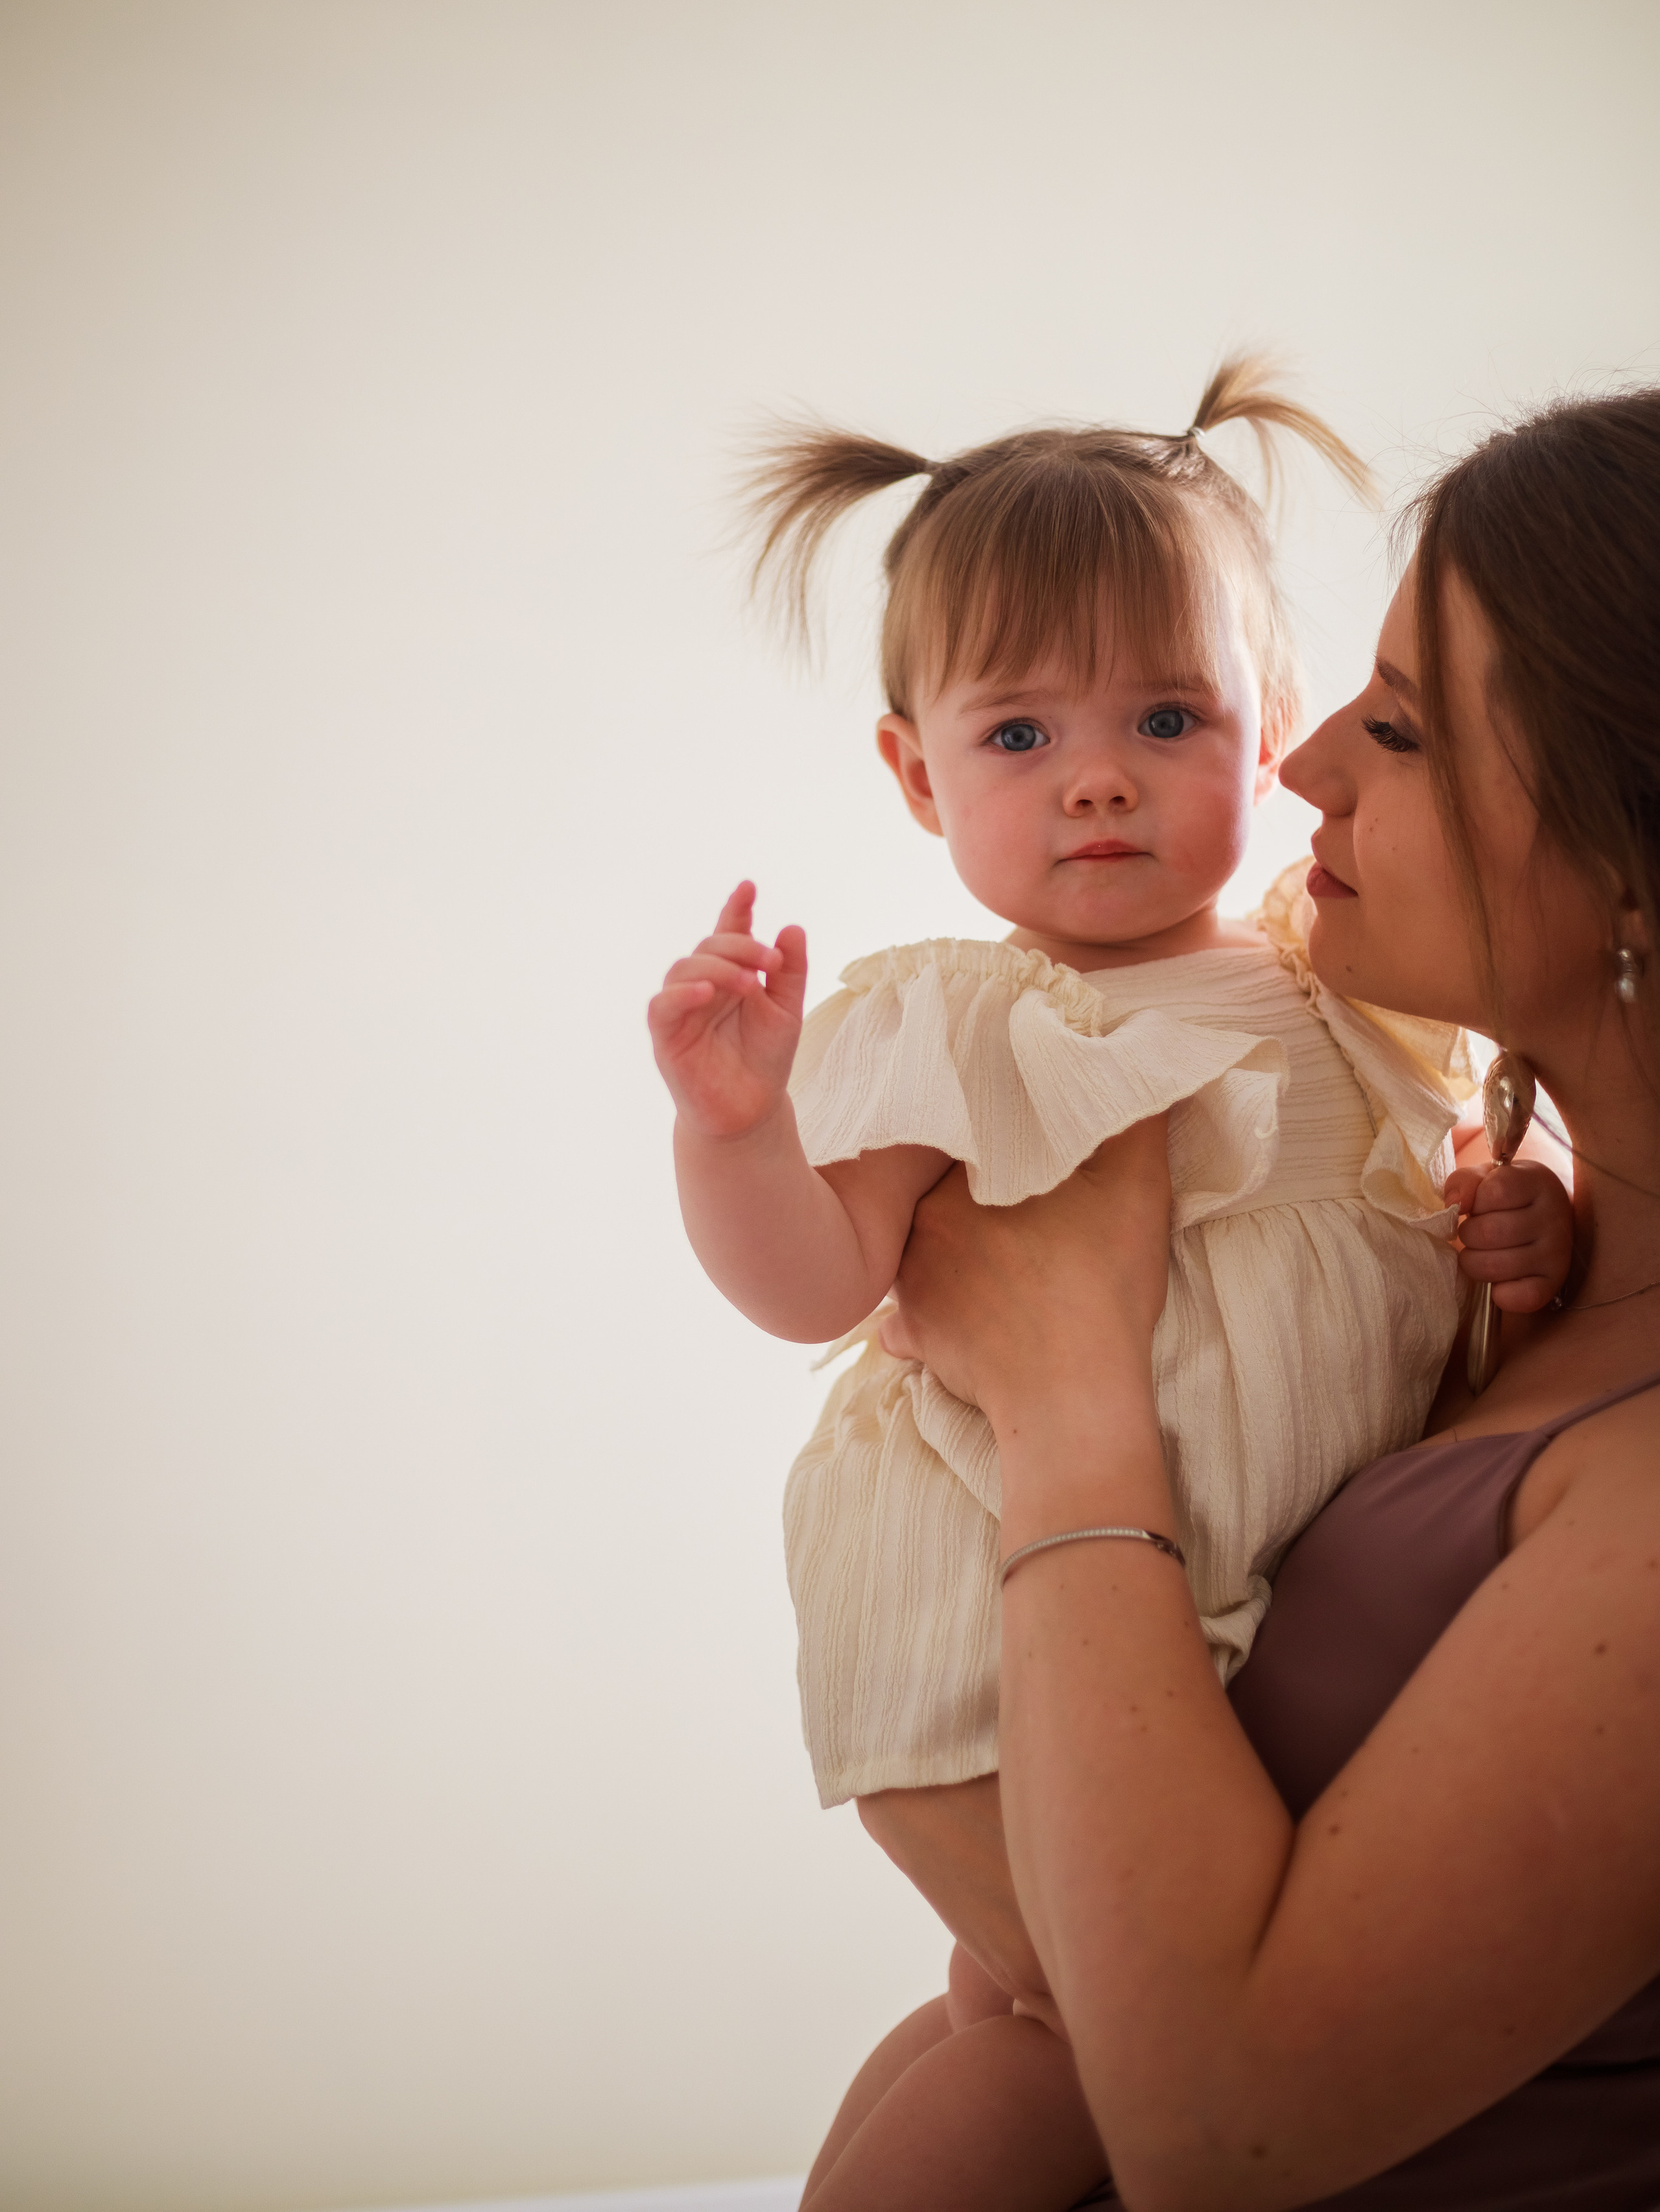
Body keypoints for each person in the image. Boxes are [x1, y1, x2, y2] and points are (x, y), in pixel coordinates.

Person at [648, 364, 1573, 2208]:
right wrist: (738, 1135)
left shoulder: (1351, 980)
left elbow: (1453, 1176)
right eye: (1016, 737)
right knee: (1085, 2047)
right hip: (1001, 1616)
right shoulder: (966, 1020)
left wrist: (1522, 1222)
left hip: (1213, 1624)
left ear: (1271, 726)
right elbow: (821, 1288)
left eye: (1165, 715)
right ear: (914, 775)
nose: (1096, 778)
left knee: (1011, 2017)